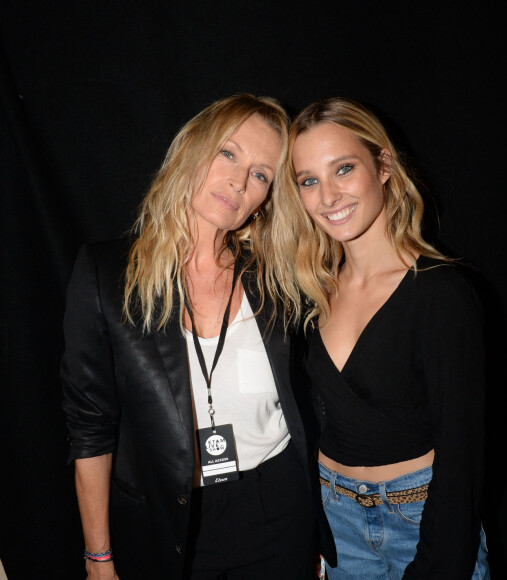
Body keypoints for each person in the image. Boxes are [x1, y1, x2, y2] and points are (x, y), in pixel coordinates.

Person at [61, 94, 334, 580]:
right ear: (192, 149)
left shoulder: (277, 278)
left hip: (278, 511)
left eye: (261, 175)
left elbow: (312, 400)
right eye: (228, 153)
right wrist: (98, 557)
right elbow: (91, 430)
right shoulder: (107, 274)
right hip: (165, 522)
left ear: (266, 200)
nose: (238, 180)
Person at [273, 97, 490, 579]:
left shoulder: (441, 293)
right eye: (309, 181)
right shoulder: (312, 289)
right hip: (337, 524)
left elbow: (462, 460)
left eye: (343, 169)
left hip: (420, 524)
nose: (328, 197)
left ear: (384, 165)